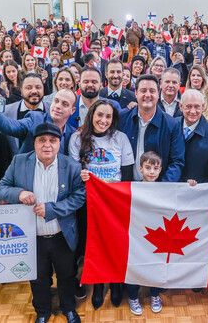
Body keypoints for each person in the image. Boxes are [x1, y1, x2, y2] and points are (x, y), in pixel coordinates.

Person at [0, 123, 84, 323]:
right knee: (38, 278)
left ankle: (68, 308)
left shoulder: (72, 166)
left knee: (67, 275)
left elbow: (79, 197)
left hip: (62, 235)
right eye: (42, 140)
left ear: (59, 143)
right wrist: (19, 193)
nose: (47, 145)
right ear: (34, 143)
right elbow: (1, 188)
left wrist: (52, 209)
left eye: (52, 141)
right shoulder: (19, 162)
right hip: (31, 236)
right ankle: (42, 312)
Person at [71, 100, 134, 310]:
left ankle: (116, 284)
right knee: (94, 246)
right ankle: (98, 286)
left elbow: (126, 175)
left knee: (115, 245)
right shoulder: (77, 138)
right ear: (91, 115)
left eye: (108, 117)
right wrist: (80, 176)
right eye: (99, 115)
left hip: (115, 203)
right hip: (89, 204)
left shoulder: (121, 139)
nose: (103, 120)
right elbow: (73, 174)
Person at [119, 74, 185, 182]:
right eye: (143, 90)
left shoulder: (172, 125)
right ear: (136, 93)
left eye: (152, 91)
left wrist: (161, 187)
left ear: (158, 94)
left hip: (158, 192)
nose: (148, 95)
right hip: (126, 189)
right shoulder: (122, 118)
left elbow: (177, 162)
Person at [126, 151, 165, 316]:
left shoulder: (167, 189)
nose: (151, 172)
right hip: (136, 236)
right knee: (134, 266)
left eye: (155, 168)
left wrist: (190, 186)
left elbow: (182, 198)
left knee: (156, 265)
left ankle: (155, 295)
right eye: (148, 167)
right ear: (140, 168)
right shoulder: (131, 188)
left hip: (158, 237)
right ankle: (133, 296)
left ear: (160, 170)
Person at [0, 88, 77, 154]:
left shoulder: (72, 133)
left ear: (72, 111)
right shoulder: (35, 118)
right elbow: (10, 126)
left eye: (64, 104)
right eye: (56, 101)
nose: (58, 106)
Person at [178, 89, 208, 182]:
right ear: (180, 106)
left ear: (203, 106)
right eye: (188, 106)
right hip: (173, 190)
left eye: (197, 106)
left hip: (200, 192)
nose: (193, 111)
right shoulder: (172, 126)